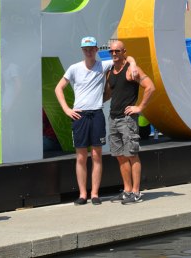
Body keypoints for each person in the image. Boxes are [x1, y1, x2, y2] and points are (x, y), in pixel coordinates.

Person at [55, 36, 137, 206]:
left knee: (96, 155)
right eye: (86, 49)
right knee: (81, 156)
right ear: (82, 50)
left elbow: (125, 57)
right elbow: (58, 88)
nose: (89, 51)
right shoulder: (74, 68)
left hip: (97, 114)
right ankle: (82, 194)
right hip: (80, 116)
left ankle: (94, 193)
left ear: (96, 50)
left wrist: (134, 63)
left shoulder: (103, 64)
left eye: (92, 48)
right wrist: (66, 109)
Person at [105, 40, 155, 204]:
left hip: (127, 120)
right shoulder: (111, 70)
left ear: (123, 51)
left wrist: (139, 107)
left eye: (117, 51)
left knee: (132, 155)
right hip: (113, 118)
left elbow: (150, 87)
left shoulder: (131, 70)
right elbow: (110, 94)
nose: (114, 54)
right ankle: (127, 190)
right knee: (120, 156)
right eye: (111, 51)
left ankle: (136, 192)